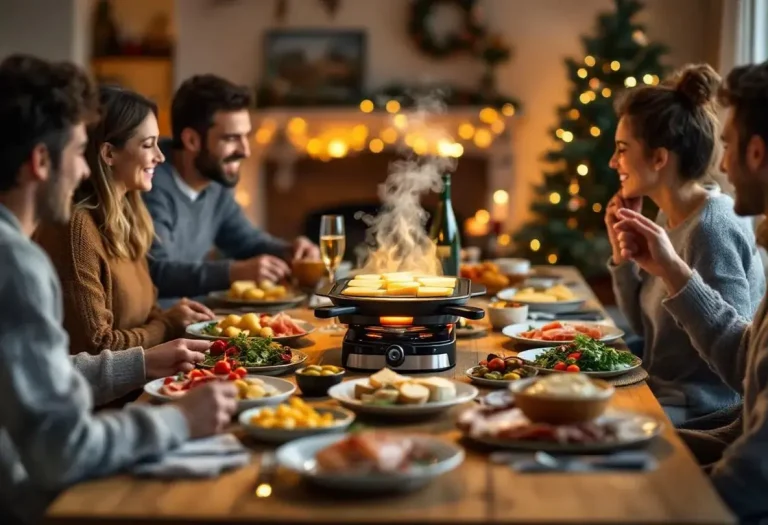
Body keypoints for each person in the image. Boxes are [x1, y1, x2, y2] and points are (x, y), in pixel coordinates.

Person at [0, 55, 237, 525]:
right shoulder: (16, 263)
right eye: (76, 152)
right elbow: (62, 451)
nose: (85, 171)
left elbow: (41, 377)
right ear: (41, 161)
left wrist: (145, 361)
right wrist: (180, 420)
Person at [612, 60, 768, 522]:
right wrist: (648, 264)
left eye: (730, 146)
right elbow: (747, 371)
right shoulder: (670, 221)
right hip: (687, 410)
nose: (721, 164)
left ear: (756, 153)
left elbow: (753, 463)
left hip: (695, 407)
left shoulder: (715, 225)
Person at [34, 86, 214, 354]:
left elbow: (149, 310)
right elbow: (97, 347)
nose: (160, 156)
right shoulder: (77, 228)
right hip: (113, 395)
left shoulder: (129, 216)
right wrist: (167, 326)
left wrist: (170, 319)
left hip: (147, 382)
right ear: (109, 154)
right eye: (147, 144)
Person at [142, 74, 319, 300]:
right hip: (164, 326)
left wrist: (291, 252)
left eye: (246, 136)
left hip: (200, 315)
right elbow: (156, 273)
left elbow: (246, 241)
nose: (245, 150)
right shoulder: (150, 181)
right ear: (192, 141)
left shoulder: (215, 182)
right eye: (231, 138)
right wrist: (234, 272)